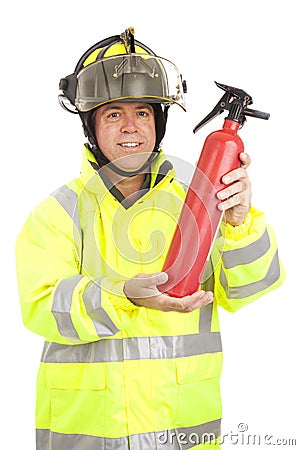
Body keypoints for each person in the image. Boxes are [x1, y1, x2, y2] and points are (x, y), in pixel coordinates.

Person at [15, 28, 285, 450]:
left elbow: (251, 288)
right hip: (91, 439)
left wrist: (237, 219)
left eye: (143, 113)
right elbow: (42, 307)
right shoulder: (59, 213)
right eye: (113, 114)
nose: (131, 128)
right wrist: (124, 294)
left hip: (183, 436)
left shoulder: (197, 202)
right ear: (90, 125)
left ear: (159, 123)